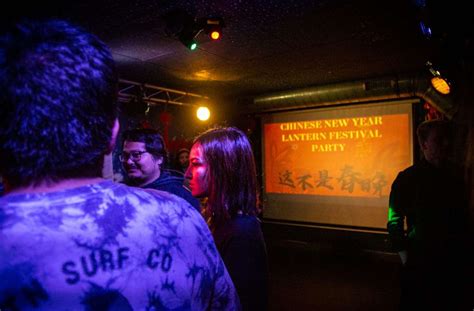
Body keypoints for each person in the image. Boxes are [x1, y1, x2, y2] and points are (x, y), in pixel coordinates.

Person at [0, 19, 240, 310]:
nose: (130, 162)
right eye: (128, 156)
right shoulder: (183, 219)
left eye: (137, 155)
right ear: (112, 134)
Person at [387, 119, 469, 310]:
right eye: (439, 140)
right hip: (422, 262)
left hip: (453, 261)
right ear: (424, 144)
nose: (446, 144)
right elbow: (394, 220)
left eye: (447, 139)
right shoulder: (408, 178)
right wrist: (406, 256)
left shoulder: (457, 176)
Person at [185, 126, 268, 311]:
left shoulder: (242, 231)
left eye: (196, 164)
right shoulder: (219, 220)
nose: (187, 173)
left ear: (223, 168)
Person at [121, 128, 201, 211]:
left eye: (136, 155)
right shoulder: (121, 191)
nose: (129, 161)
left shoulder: (180, 196)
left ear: (159, 158)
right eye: (125, 156)